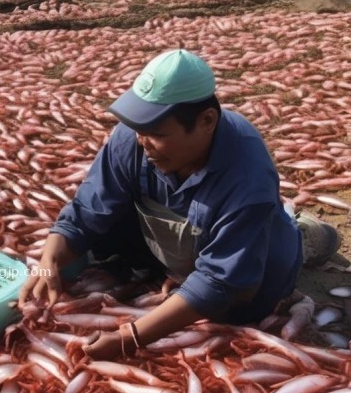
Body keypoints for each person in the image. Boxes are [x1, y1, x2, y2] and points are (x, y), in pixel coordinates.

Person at [18, 49, 340, 361]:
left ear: (207, 121)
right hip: (177, 244)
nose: (142, 142)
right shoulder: (134, 139)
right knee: (104, 234)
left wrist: (131, 337)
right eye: (138, 129)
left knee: (244, 306)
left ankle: (303, 238)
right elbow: (85, 213)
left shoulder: (247, 173)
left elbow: (219, 283)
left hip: (248, 267)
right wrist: (47, 264)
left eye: (156, 132)